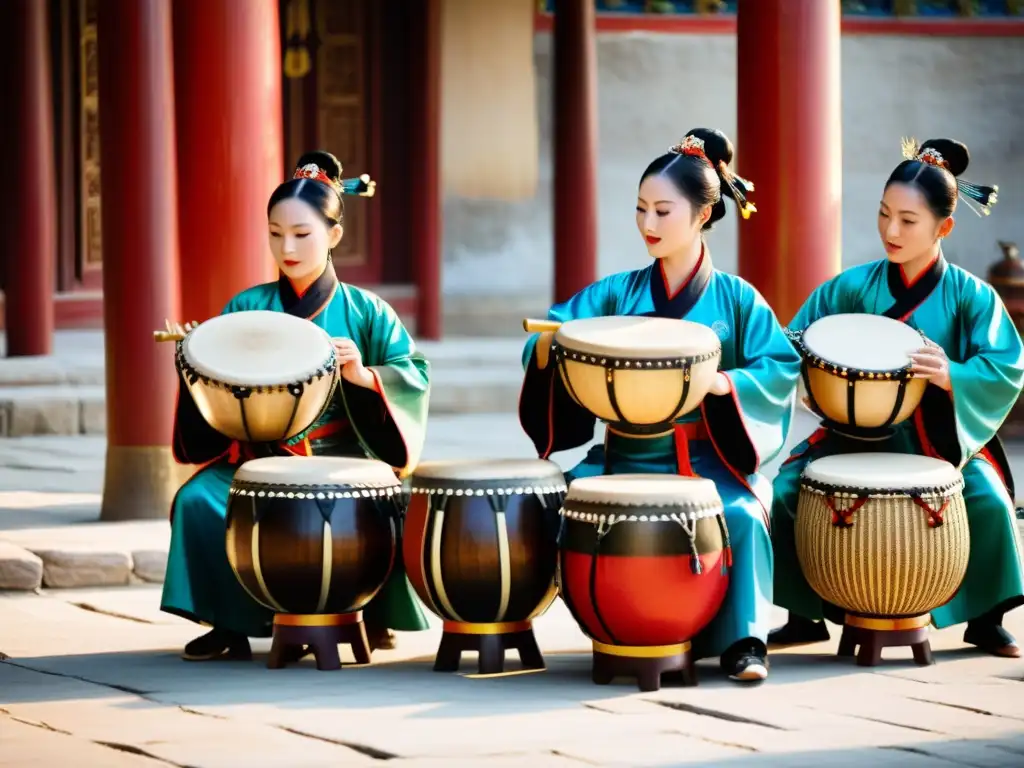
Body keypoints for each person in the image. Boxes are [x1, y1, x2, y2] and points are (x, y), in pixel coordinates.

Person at [518, 129, 801, 682]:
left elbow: (779, 366)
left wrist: (727, 385)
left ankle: (747, 640)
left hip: (704, 459)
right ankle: (598, 620)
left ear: (702, 215)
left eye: (663, 211)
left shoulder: (737, 299)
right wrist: (551, 345)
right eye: (641, 209)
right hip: (622, 454)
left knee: (741, 516)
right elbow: (549, 329)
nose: (648, 224)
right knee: (544, 501)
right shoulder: (618, 293)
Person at [161, 151, 432, 661]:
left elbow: (411, 374)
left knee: (381, 497)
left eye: (302, 234)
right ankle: (227, 622)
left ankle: (361, 609)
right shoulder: (246, 307)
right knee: (199, 499)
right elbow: (216, 392)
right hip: (258, 459)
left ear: (334, 234)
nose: (286, 247)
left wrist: (367, 376)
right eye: (274, 233)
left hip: (342, 459)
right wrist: (198, 358)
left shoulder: (367, 311)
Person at [769, 137, 1024, 658]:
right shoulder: (852, 287)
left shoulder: (970, 295)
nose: (891, 231)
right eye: (885, 214)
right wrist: (811, 374)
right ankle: (805, 614)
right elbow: (793, 339)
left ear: (943, 227)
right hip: (853, 431)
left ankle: (985, 618)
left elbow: (1006, 365)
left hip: (936, 438)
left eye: (908, 221)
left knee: (988, 498)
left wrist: (953, 374)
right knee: (788, 489)